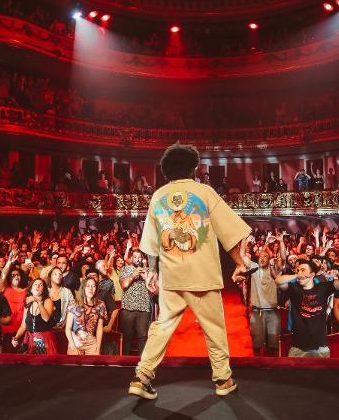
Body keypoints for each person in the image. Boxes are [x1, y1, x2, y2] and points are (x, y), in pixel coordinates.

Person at [128, 142, 251, 400]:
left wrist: (152, 270)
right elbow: (229, 233)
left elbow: (151, 241)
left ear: (166, 170)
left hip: (172, 277)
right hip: (203, 276)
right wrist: (240, 263)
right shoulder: (204, 192)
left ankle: (142, 375)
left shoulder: (158, 196)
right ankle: (223, 379)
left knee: (162, 327)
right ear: (193, 168)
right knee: (214, 329)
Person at [275, 258, 339, 358]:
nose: (299, 272)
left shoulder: (322, 288)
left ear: (312, 274)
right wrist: (297, 275)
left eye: (303, 270)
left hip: (320, 347)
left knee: (320, 373)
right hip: (298, 346)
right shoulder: (294, 288)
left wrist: (338, 273)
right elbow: (278, 280)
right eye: (298, 270)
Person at [119, 249, 152, 355]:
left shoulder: (147, 271)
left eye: (139, 257)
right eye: (135, 257)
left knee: (142, 337)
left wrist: (146, 277)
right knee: (127, 337)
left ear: (142, 259)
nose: (137, 259)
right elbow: (124, 285)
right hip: (128, 308)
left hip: (143, 308)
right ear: (131, 258)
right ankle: (124, 364)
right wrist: (133, 275)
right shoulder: (125, 269)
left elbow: (153, 290)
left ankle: (142, 365)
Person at [12, 278, 57, 354]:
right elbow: (23, 326)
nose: (38, 286)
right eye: (35, 284)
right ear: (31, 288)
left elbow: (46, 318)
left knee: (44, 364)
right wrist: (15, 338)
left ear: (43, 289)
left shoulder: (48, 301)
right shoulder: (28, 303)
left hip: (45, 341)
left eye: (41, 285)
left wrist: (38, 302)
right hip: (31, 340)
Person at [65, 276, 106, 355]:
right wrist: (73, 347)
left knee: (93, 366)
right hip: (76, 341)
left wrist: (98, 349)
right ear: (83, 287)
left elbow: (99, 329)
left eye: (93, 286)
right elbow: (68, 328)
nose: (90, 289)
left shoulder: (100, 305)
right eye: (87, 286)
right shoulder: (73, 304)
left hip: (91, 342)